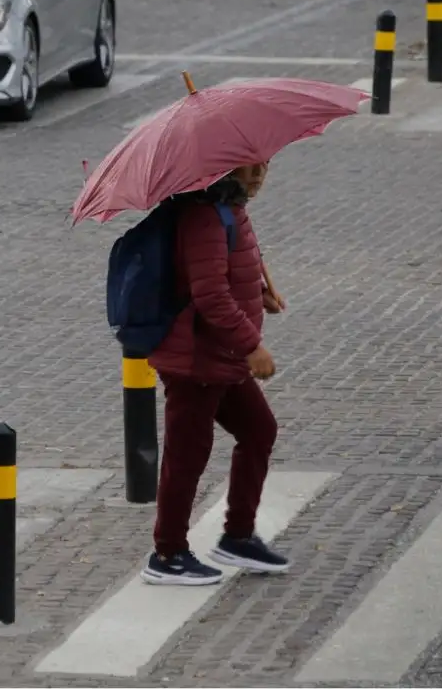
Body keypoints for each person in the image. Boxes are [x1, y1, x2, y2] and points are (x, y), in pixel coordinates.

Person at [140, 160, 289, 587]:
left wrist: (260, 294)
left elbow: (227, 275)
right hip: (196, 361)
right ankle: (167, 554)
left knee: (259, 431)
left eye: (265, 166)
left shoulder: (232, 209)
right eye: (249, 168)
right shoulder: (203, 215)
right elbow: (210, 295)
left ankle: (237, 536)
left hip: (221, 358)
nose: (259, 176)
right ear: (224, 169)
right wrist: (252, 345)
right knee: (187, 457)